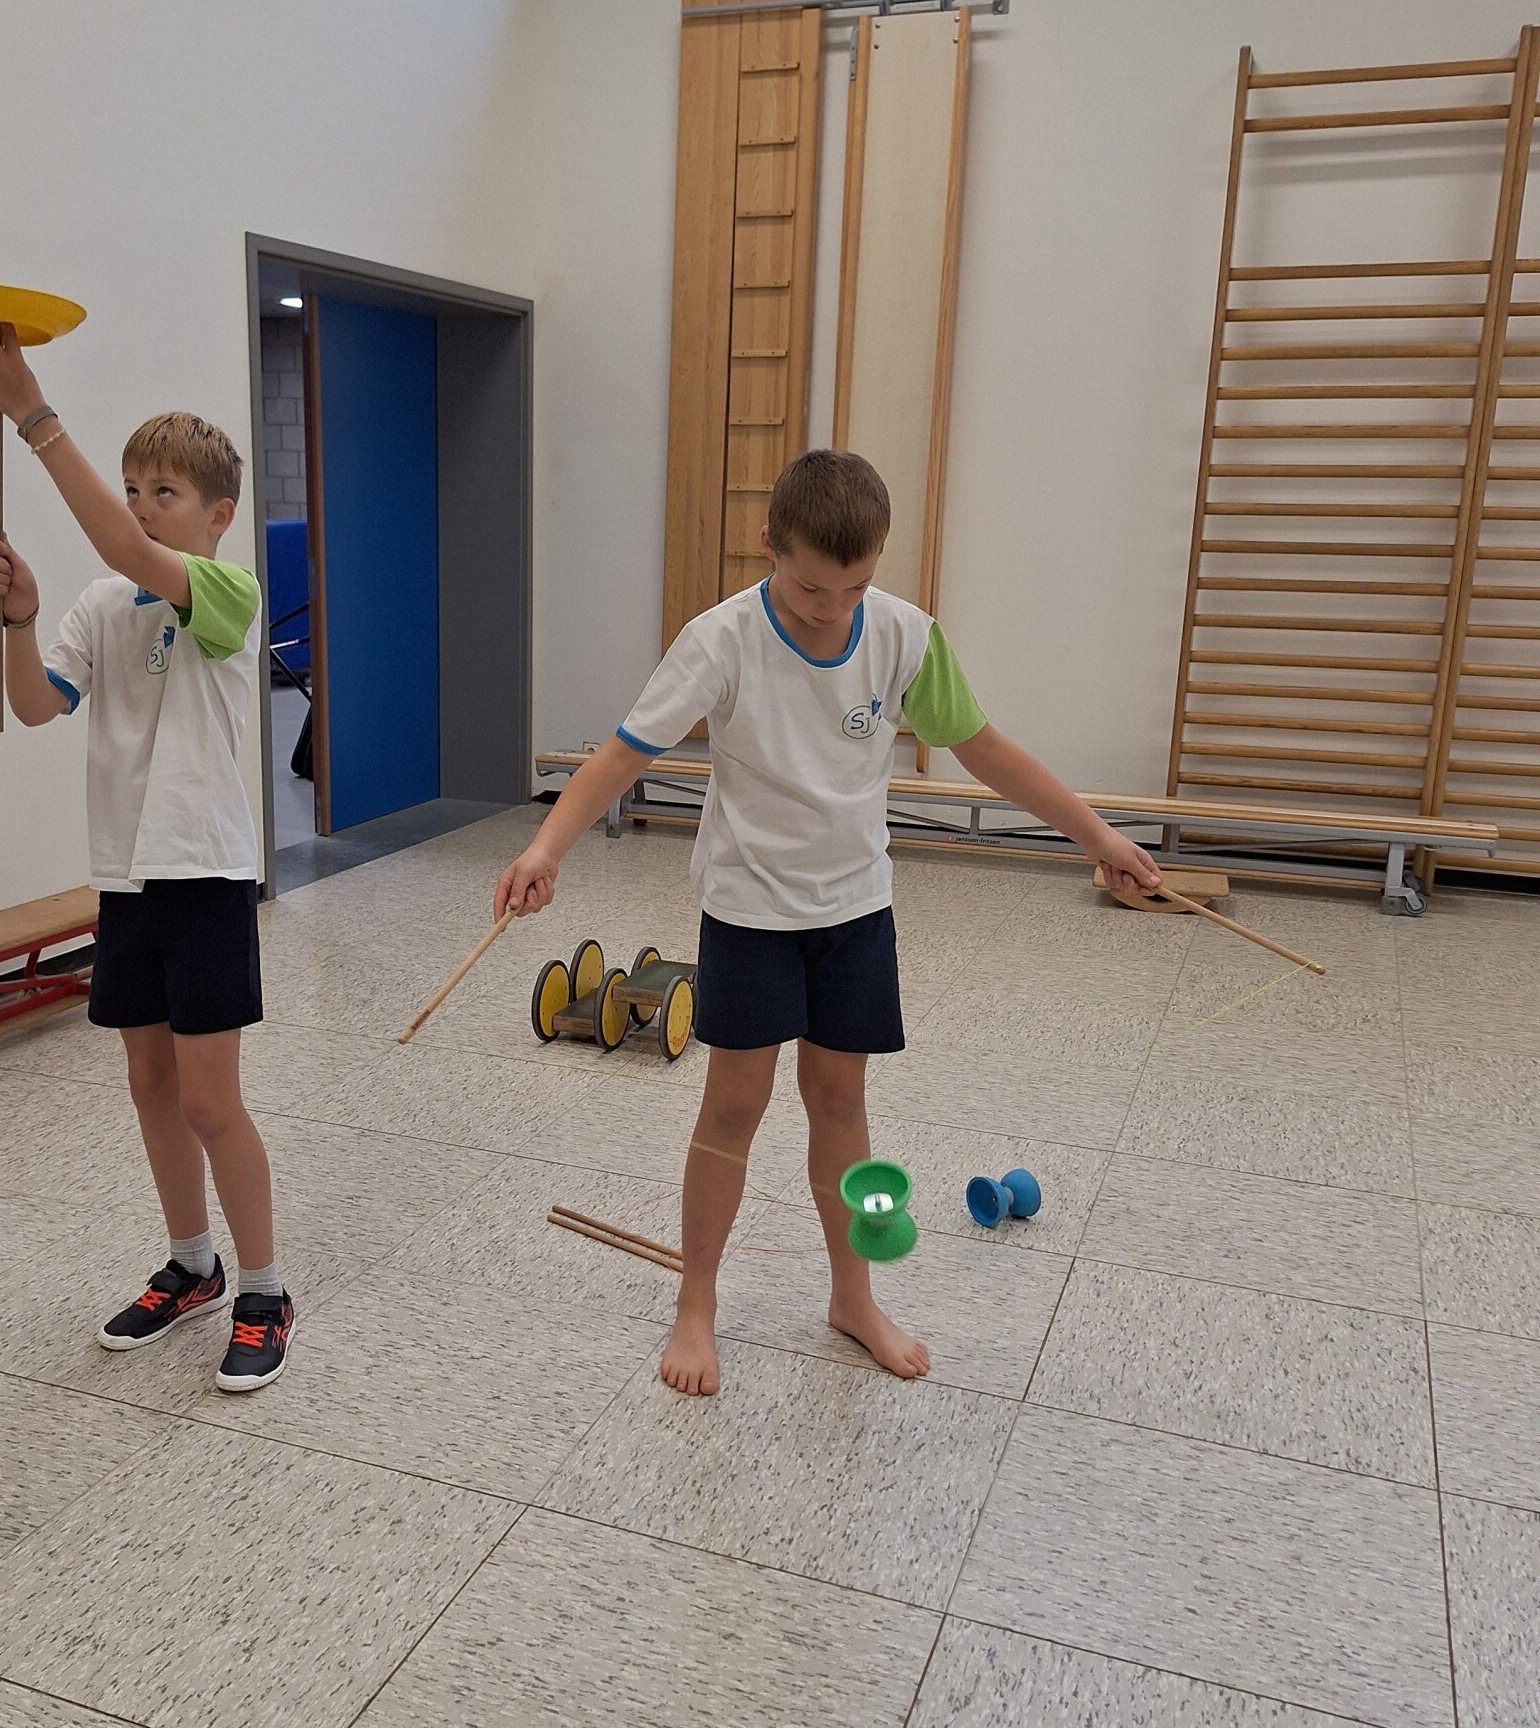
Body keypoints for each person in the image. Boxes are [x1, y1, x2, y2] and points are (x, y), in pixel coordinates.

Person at [494, 449, 1160, 1397]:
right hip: (749, 909)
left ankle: (855, 1296)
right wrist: (546, 848)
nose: (830, 608)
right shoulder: (721, 640)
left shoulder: (905, 636)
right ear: (769, 543)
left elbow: (986, 750)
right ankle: (696, 1302)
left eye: (854, 587)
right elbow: (624, 753)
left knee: (842, 1105)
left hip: (854, 910)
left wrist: (1099, 837)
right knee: (734, 1105)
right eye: (811, 587)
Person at [0, 323, 292, 1393]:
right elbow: (34, 705)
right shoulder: (103, 608)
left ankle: (264, 1288)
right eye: (135, 489)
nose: (145, 506)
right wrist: (20, 619)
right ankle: (193, 1266)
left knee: (211, 1102)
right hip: (127, 880)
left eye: (166, 492)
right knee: (151, 1084)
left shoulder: (228, 595)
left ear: (217, 514)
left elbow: (122, 550)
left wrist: (33, 416)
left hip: (203, 877)